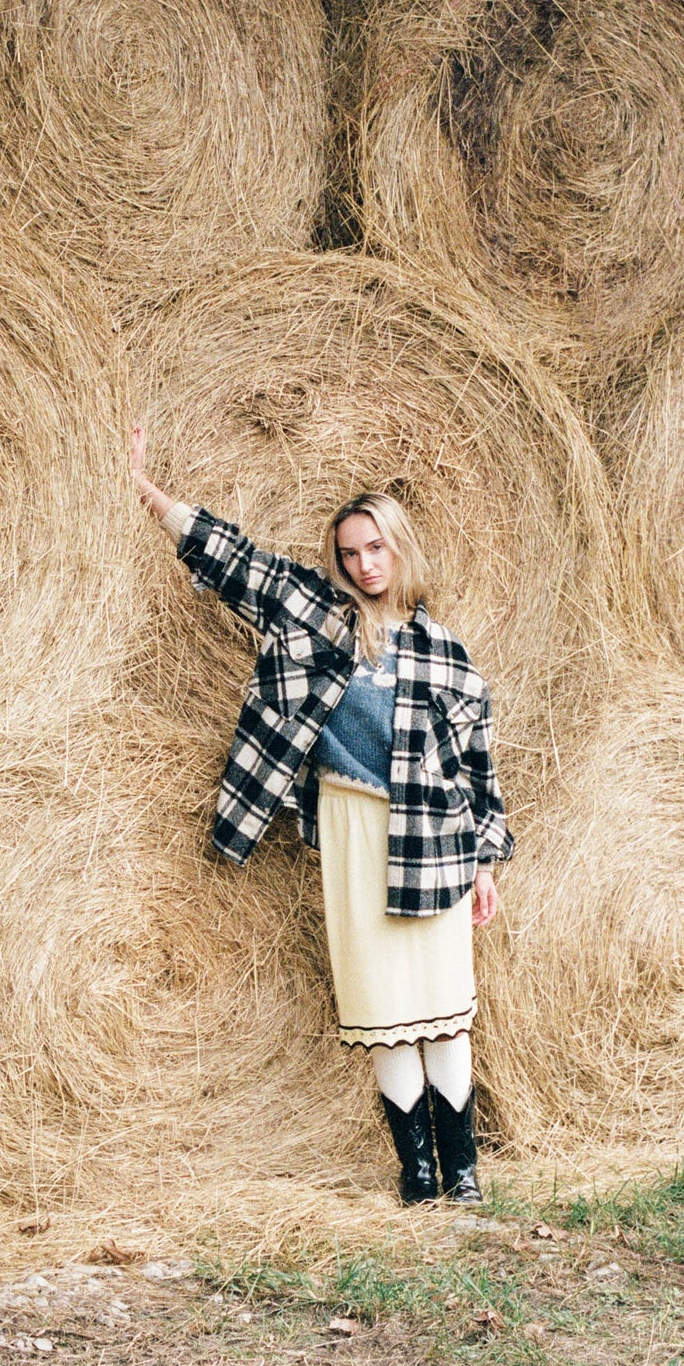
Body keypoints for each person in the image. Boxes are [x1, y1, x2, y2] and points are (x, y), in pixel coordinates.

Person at [129, 425, 512, 1206]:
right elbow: (237, 563)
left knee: (443, 1014)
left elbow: (478, 767)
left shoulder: (446, 653)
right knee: (380, 1005)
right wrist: (149, 492)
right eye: (348, 554)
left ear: (398, 548)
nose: (363, 564)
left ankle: (462, 1174)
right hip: (351, 829)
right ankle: (416, 1175)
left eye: (374, 548)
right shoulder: (315, 617)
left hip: (435, 838)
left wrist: (484, 861)